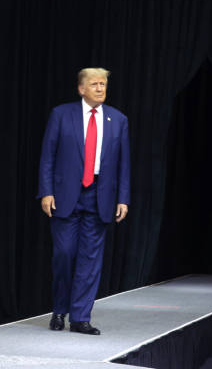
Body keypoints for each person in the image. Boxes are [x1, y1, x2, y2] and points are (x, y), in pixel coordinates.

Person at [37, 68, 130, 335]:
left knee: (90, 260)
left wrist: (123, 198)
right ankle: (59, 310)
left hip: (101, 195)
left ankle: (80, 318)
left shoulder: (118, 119)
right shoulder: (61, 114)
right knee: (64, 254)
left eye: (103, 84)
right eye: (94, 84)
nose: (100, 88)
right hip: (66, 195)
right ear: (81, 89)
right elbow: (47, 156)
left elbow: (124, 164)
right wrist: (46, 191)